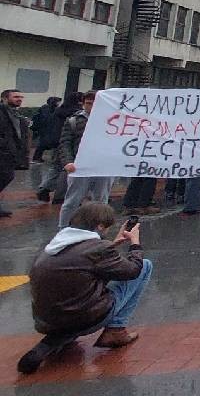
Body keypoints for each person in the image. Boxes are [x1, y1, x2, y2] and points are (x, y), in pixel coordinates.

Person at [19, 203, 152, 374]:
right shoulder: (97, 249)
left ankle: (54, 341)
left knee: (72, 306)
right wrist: (135, 244)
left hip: (46, 320)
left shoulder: (53, 245)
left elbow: (84, 267)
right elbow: (132, 270)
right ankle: (116, 330)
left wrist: (111, 245)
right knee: (145, 266)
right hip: (83, 316)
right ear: (100, 226)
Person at [57, 93, 113, 229]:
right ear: (83, 104)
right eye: (89, 103)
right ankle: (63, 229)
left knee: (101, 202)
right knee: (72, 201)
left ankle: (96, 230)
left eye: (95, 103)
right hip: (80, 167)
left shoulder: (111, 120)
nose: (92, 106)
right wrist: (68, 162)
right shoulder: (74, 120)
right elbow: (65, 143)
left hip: (104, 167)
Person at [36, 96, 80, 203]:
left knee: (55, 167)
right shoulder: (76, 114)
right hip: (68, 143)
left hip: (56, 142)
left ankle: (44, 187)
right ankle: (60, 195)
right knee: (66, 170)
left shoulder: (58, 111)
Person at [0, 88, 29, 217]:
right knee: (6, 176)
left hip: (10, 154)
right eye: (16, 97)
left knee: (7, 176)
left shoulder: (17, 115)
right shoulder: (2, 112)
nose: (19, 99)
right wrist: (5, 144)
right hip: (3, 151)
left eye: (20, 97)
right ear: (5, 98)